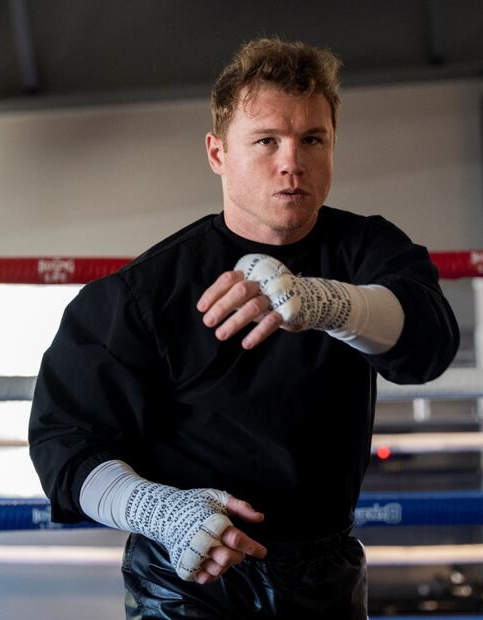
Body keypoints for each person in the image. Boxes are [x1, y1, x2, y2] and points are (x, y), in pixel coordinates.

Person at [29, 37, 459, 619]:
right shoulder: (144, 292)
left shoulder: (367, 250)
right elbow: (65, 444)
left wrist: (325, 302)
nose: (292, 162)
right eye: (266, 141)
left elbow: (428, 343)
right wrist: (157, 510)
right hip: (189, 578)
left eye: (313, 139)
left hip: (325, 573)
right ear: (216, 153)